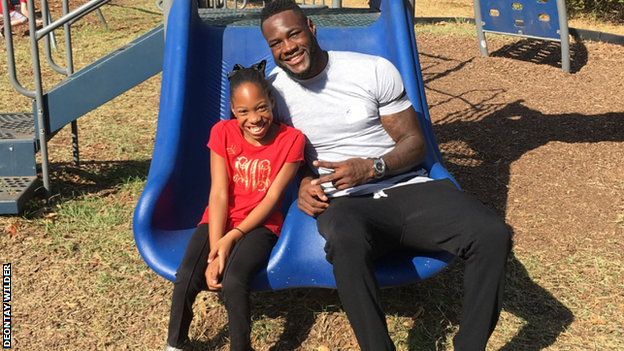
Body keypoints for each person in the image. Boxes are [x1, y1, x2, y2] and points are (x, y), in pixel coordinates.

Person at [260, 1, 512, 350]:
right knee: (347, 243)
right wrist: (302, 181)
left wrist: (373, 166)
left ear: (312, 28)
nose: (287, 48)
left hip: (407, 187)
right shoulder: (271, 93)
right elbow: (278, 153)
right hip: (345, 201)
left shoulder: (371, 70)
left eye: (294, 34)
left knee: (492, 234)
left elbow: (414, 144)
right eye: (276, 43)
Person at [164, 60, 306, 351]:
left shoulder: (292, 140)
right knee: (187, 274)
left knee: (234, 279)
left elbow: (272, 197)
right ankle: (176, 343)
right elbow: (218, 193)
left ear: (271, 101)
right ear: (232, 109)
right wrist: (217, 248)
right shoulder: (222, 132)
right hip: (219, 219)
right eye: (243, 111)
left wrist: (233, 237)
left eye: (261, 107)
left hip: (260, 224)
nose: (254, 118)